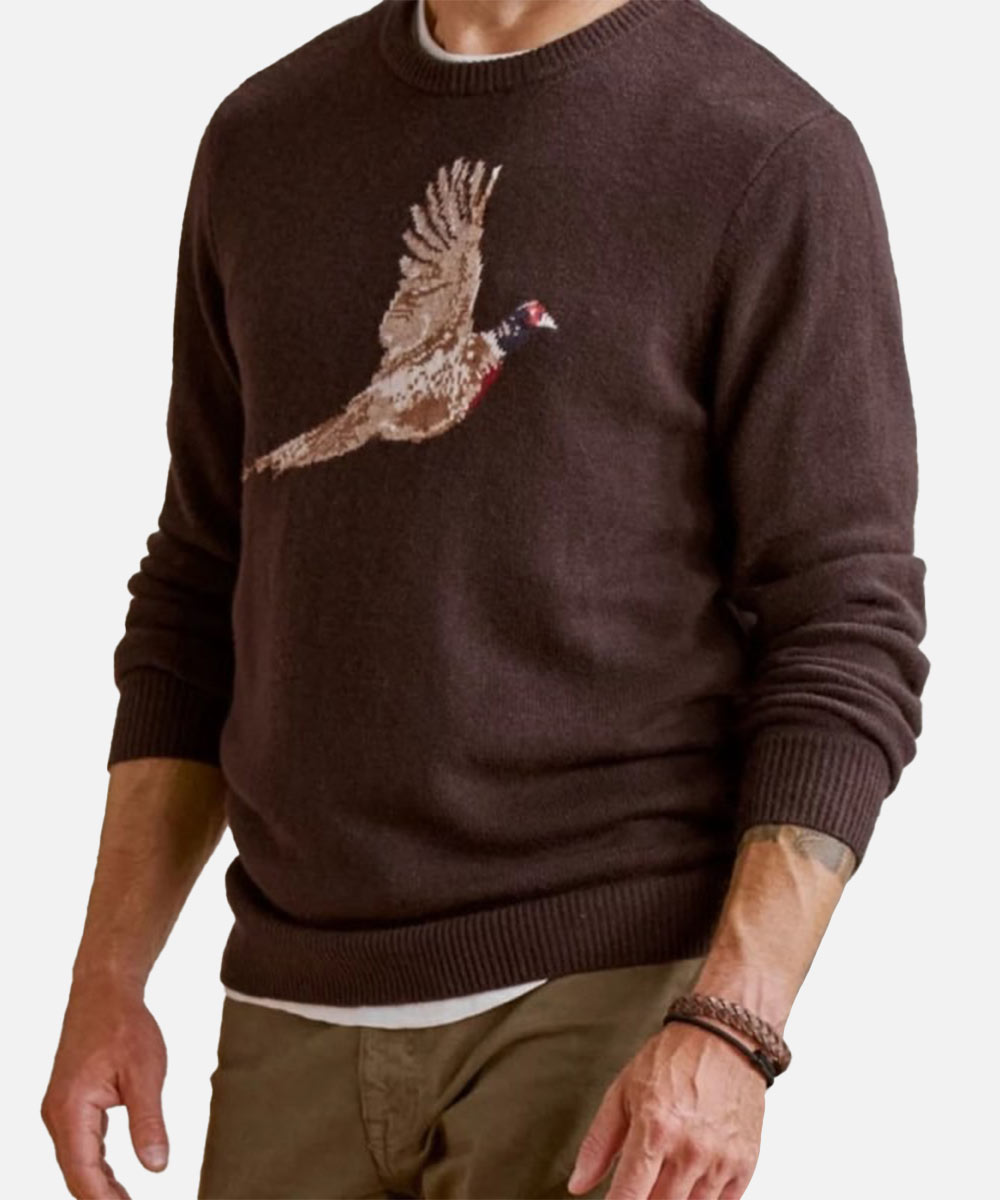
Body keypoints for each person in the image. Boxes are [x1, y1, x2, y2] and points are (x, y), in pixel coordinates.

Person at [40, 1, 930, 1197]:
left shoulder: (763, 149)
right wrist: (107, 974)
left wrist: (732, 1023)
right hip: (288, 1006)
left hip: (603, 1010)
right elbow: (202, 582)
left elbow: (843, 624)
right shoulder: (264, 138)